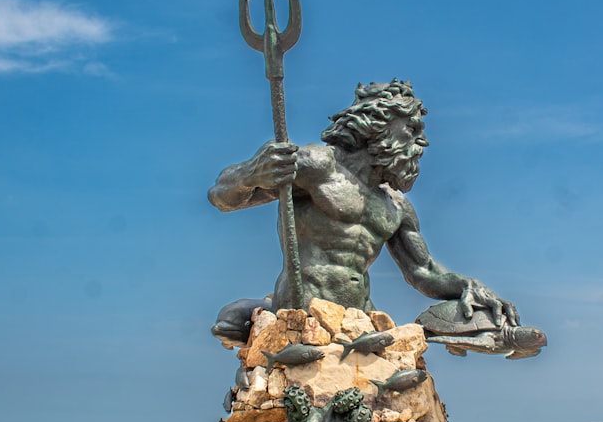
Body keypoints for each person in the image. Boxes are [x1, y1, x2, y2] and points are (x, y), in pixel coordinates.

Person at [209, 79, 518, 326]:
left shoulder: (396, 207)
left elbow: (424, 272)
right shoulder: (319, 167)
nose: (421, 143)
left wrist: (468, 285)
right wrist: (250, 173)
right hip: (305, 318)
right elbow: (222, 197)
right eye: (413, 130)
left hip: (361, 319)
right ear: (379, 123)